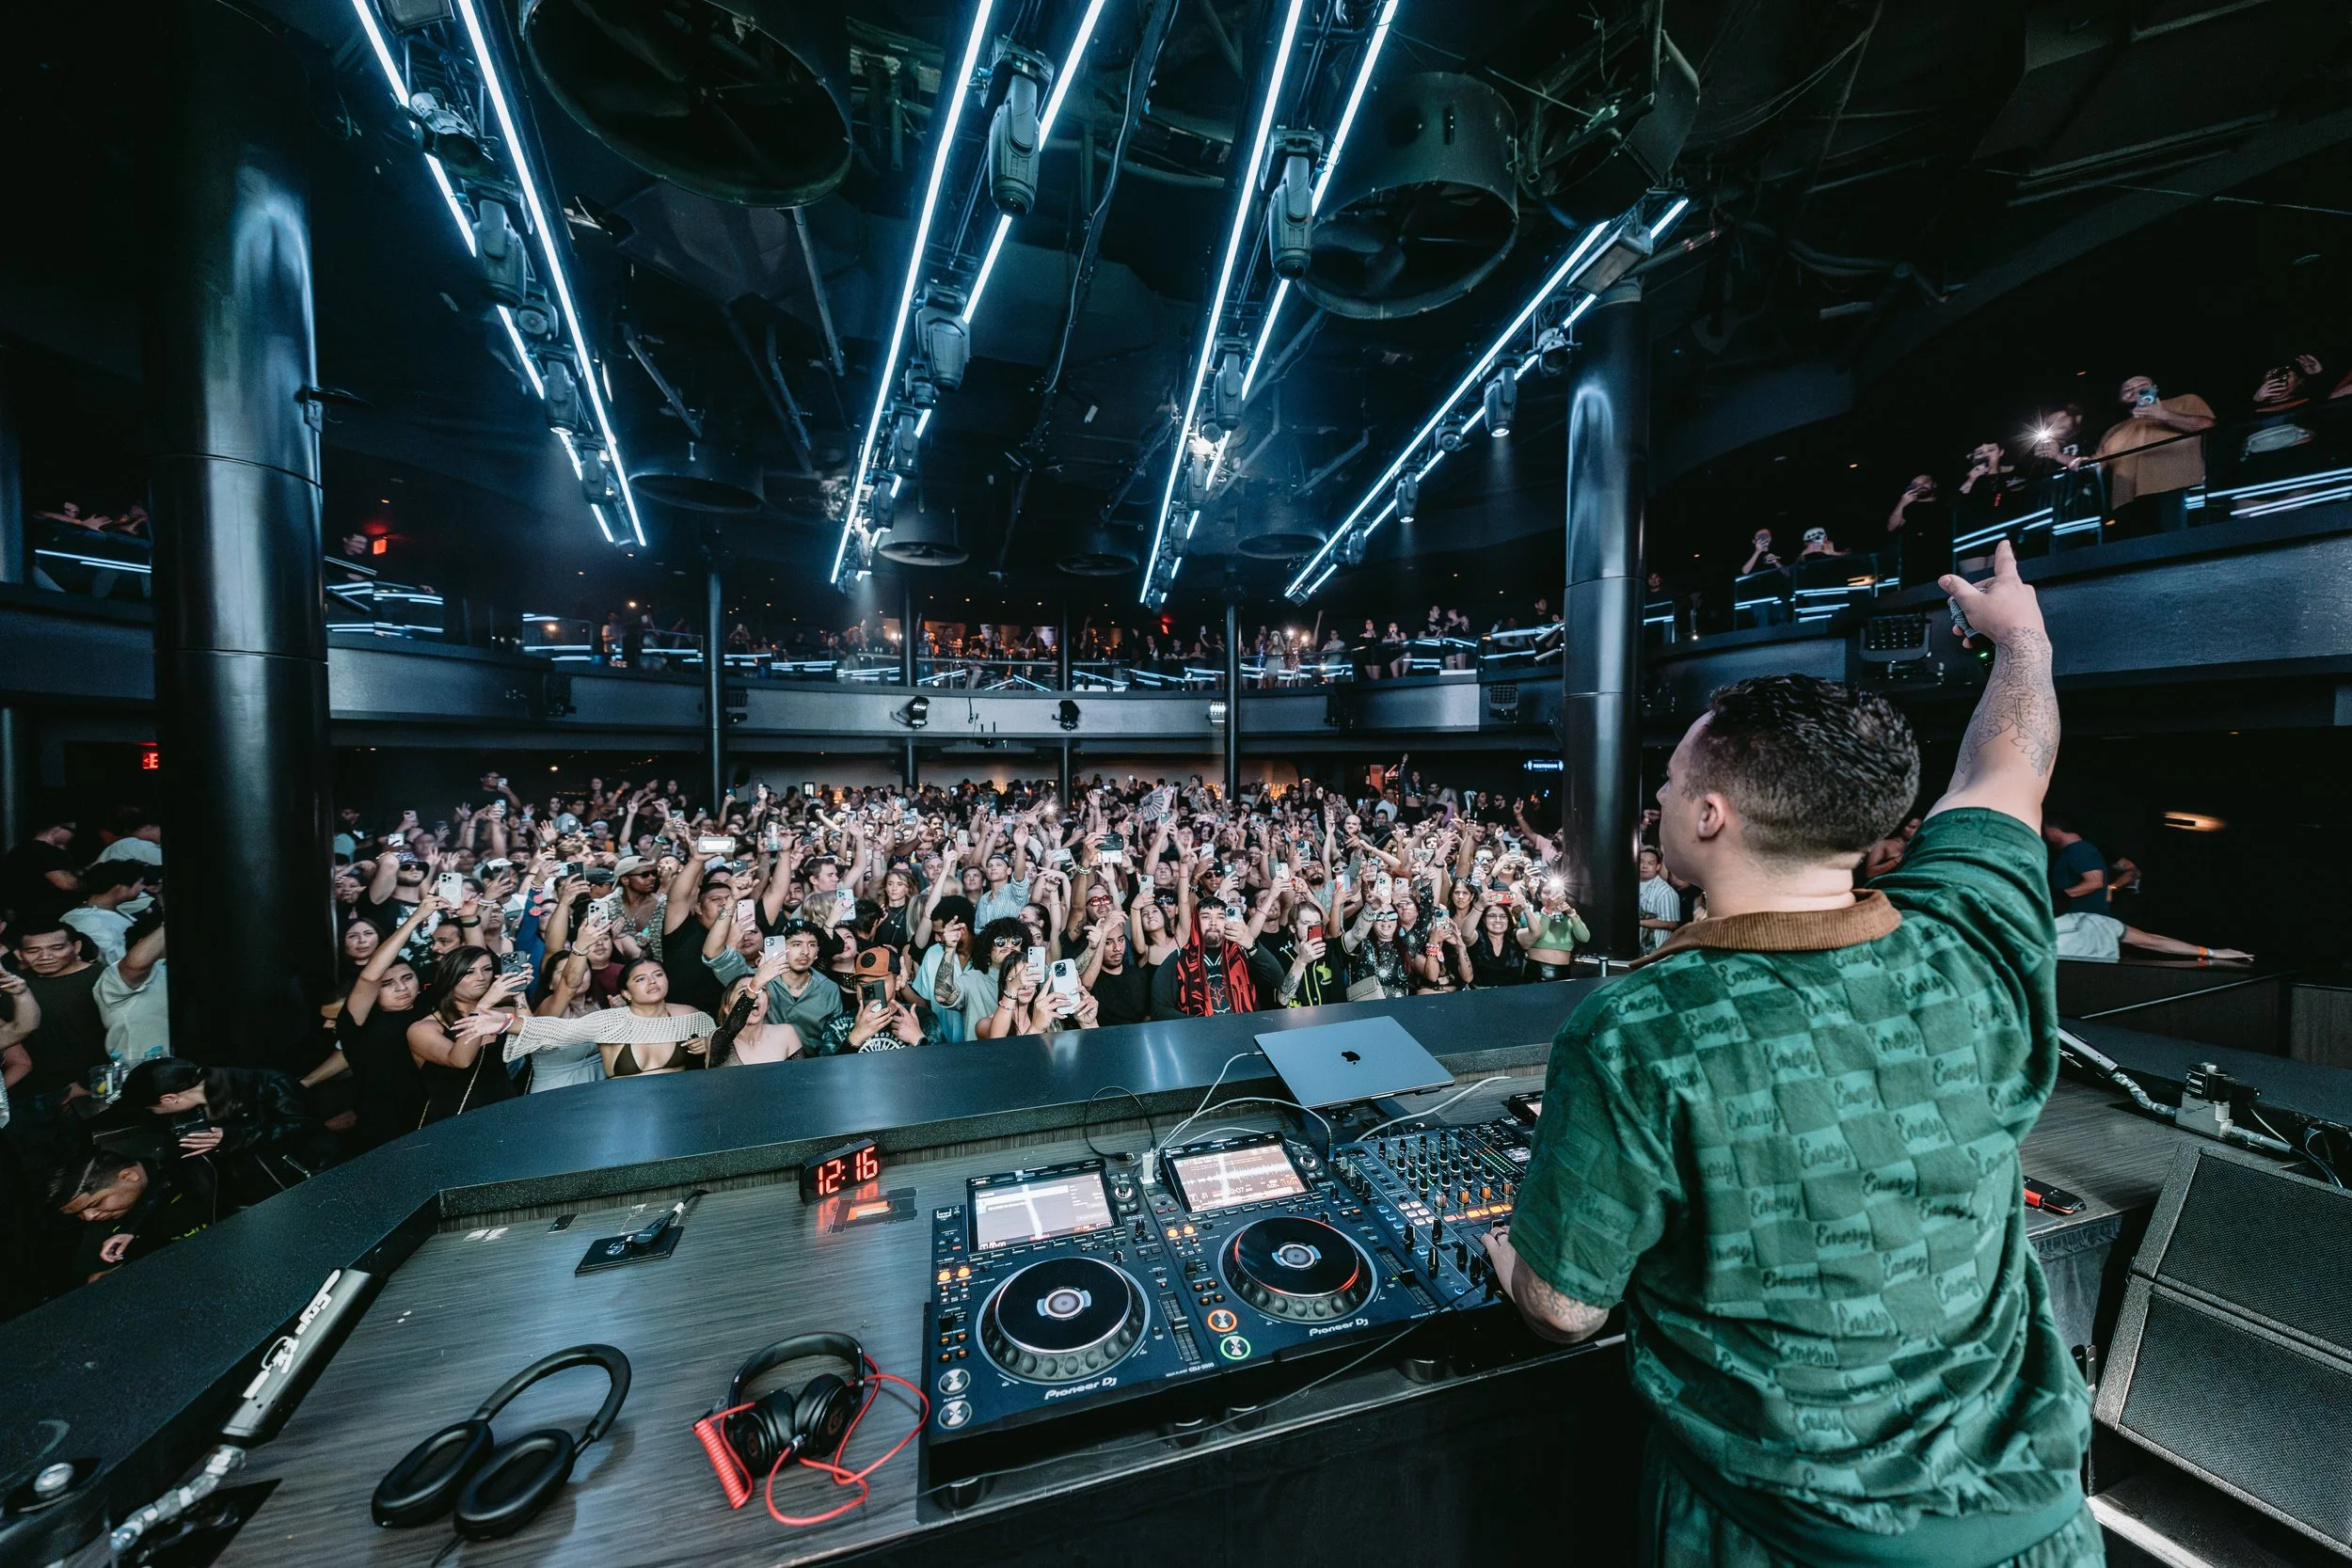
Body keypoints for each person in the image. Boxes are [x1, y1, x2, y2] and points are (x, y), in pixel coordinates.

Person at [1484, 540, 2099, 1567]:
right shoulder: (1972, 932)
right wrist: (2024, 644)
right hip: (2042, 1529)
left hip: (1782, 1540)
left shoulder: (1639, 1026)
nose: (1659, 798)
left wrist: (1512, 1259)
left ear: (1710, 814)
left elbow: (1565, 1307)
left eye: (1670, 781)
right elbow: (2009, 769)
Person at [119, 1056, 342, 1207]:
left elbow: (305, 1127)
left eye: (154, 1109)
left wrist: (237, 1136)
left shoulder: (270, 1084)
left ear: (170, 1098)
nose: (156, 1114)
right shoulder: (186, 1115)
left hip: (301, 1191)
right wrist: (131, 1228)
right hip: (250, 1203)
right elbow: (173, 1169)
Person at [46, 1151, 214, 1282]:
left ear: (129, 1176)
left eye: (96, 1203)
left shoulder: (195, 1175)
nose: (89, 1216)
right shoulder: (102, 1227)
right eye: (78, 1213)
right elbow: (95, 1277)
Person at [2094, 374, 2215, 537]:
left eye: (2141, 385)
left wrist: (2163, 415)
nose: (2135, 390)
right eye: (2127, 389)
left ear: (2155, 388)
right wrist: (2063, 456)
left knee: (2178, 542)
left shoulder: (2185, 401)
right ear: (2120, 399)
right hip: (2127, 500)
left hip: (2176, 487)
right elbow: (2098, 463)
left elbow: (2208, 426)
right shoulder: (2114, 430)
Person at [2054, 912, 2249, 964]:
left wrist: (2209, 952)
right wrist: (2210, 952)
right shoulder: (2093, 921)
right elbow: (2152, 941)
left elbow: (2151, 941)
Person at [61, 860, 153, 965]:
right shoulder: (89, 922)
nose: (143, 887)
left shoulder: (109, 912)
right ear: (120, 888)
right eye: (140, 883)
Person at [2, 815, 79, 928]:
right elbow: (67, 884)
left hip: (20, 917)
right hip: (45, 919)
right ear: (57, 830)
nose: (73, 835)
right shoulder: (46, 851)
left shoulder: (16, 851)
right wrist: (85, 883)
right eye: (72, 831)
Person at [2042, 814, 2108, 916]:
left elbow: (2095, 882)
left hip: (2084, 918)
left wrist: (2059, 897)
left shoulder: (2080, 849)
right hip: (2075, 917)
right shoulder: (2069, 851)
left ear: (2054, 830)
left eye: (2045, 829)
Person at [1634, 847, 1681, 954]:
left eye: (1650, 863)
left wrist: (1638, 922)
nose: (1644, 866)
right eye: (1641, 862)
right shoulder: (1630, 885)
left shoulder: (1666, 892)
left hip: (1656, 950)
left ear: (1658, 866)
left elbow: (1672, 924)